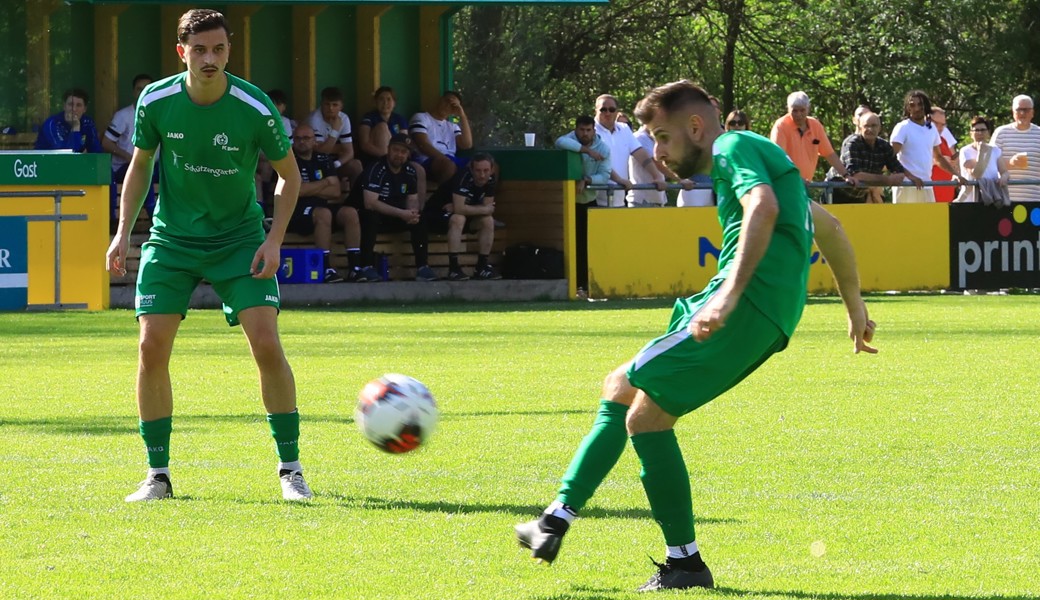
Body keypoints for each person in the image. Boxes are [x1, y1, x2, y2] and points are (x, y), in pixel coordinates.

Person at [516, 80, 877, 592]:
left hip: (745, 307)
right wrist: (855, 306)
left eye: (662, 138)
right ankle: (564, 525)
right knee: (628, 395)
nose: (658, 152)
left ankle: (661, 555)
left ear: (695, 128)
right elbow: (831, 228)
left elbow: (763, 208)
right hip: (759, 312)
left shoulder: (733, 146)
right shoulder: (770, 164)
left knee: (637, 408)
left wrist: (728, 297)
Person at [105, 9, 311, 503]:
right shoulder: (154, 100)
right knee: (150, 348)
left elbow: (290, 176)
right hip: (171, 241)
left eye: (219, 49)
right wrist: (122, 233)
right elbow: (139, 168)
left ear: (229, 52)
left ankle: (291, 470)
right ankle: (158, 476)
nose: (210, 58)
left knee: (265, 341)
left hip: (240, 241)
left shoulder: (254, 106)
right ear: (182, 53)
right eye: (200, 50)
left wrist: (274, 238)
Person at [354, 133, 439, 282]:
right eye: (396, 150)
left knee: (420, 217)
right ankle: (366, 266)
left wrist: (412, 214)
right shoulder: (376, 168)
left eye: (403, 152)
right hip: (371, 216)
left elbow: (412, 199)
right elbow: (370, 202)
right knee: (370, 215)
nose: (399, 155)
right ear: (388, 149)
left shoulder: (410, 171)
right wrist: (401, 213)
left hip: (396, 215)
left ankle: (423, 268)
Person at [288, 123, 363, 283]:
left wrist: (309, 187)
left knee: (350, 213)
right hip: (297, 211)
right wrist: (323, 183)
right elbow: (297, 191)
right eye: (298, 138)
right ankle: (326, 267)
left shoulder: (323, 159)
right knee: (324, 213)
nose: (302, 142)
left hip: (322, 206)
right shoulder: (289, 161)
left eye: (306, 138)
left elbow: (335, 192)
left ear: (315, 141)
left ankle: (355, 268)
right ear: (293, 141)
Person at [423, 152, 501, 280]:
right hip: (436, 215)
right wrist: (464, 208)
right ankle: (453, 268)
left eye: (486, 170)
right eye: (478, 170)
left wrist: (464, 208)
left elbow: (487, 210)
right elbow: (462, 209)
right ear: (471, 169)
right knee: (458, 218)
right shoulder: (463, 177)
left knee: (487, 220)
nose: (482, 175)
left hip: (464, 217)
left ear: (492, 170)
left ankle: (481, 267)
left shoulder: (490, 180)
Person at [555, 115, 611, 293]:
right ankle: (571, 283)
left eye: (588, 130)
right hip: (566, 203)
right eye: (581, 130)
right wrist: (586, 151)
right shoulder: (569, 140)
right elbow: (560, 142)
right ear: (576, 129)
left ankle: (585, 285)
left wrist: (586, 180)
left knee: (585, 244)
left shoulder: (603, 148)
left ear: (594, 130)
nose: (585, 134)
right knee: (569, 243)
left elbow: (604, 177)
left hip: (587, 201)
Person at [826, 112, 917, 204]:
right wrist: (887, 180)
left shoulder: (884, 146)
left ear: (879, 128)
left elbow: (898, 169)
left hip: (860, 196)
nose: (870, 129)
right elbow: (855, 174)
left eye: (874, 126)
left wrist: (908, 177)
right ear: (860, 128)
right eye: (866, 126)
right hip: (836, 193)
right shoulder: (852, 143)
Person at [102, 74, 157, 225]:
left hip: (154, 165)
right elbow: (106, 143)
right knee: (145, 170)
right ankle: (152, 217)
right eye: (139, 89)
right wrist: (128, 156)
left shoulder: (160, 114)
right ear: (134, 92)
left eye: (147, 89)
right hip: (124, 167)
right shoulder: (123, 115)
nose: (142, 92)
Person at [890, 90, 962, 203]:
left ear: (926, 107)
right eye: (912, 105)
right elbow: (890, 158)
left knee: (929, 220)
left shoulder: (932, 128)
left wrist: (956, 174)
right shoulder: (902, 127)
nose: (916, 108)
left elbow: (938, 157)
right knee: (905, 221)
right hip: (906, 185)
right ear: (908, 108)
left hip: (926, 184)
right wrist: (911, 177)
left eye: (920, 104)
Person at [357, 86, 427, 201]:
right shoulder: (369, 117)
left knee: (419, 170)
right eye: (381, 99)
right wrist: (388, 157)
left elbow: (405, 142)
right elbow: (364, 144)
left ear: (394, 102)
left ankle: (419, 213)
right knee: (382, 126)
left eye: (389, 99)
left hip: (397, 160)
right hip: (376, 159)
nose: (385, 103)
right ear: (376, 102)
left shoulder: (399, 119)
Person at [595, 94, 666, 207]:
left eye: (611, 109)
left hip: (619, 200)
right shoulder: (591, 131)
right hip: (596, 199)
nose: (607, 113)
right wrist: (618, 180)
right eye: (603, 109)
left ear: (617, 111)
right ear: (596, 111)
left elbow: (641, 154)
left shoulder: (624, 129)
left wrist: (656, 175)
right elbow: (599, 162)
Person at [769, 91, 849, 183]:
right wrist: (796, 178)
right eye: (794, 111)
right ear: (788, 109)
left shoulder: (815, 126)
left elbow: (829, 154)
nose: (798, 114)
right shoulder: (781, 126)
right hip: (785, 182)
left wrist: (846, 175)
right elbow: (778, 158)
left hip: (806, 184)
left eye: (802, 110)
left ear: (808, 109)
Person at [409, 91, 473, 185]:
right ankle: (444, 198)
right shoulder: (422, 117)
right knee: (448, 165)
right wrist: (445, 159)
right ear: (440, 100)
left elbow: (467, 144)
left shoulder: (452, 126)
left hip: (451, 159)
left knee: (486, 165)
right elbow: (422, 144)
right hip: (428, 160)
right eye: (447, 101)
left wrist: (462, 116)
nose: (448, 106)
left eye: (453, 105)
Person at [308, 86, 363, 190]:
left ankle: (356, 202)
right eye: (327, 104)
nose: (330, 108)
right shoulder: (314, 119)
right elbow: (321, 153)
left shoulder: (344, 118)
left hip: (334, 163)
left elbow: (349, 152)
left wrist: (336, 164)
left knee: (356, 165)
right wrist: (335, 131)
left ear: (341, 106)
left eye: (335, 105)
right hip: (316, 165)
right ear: (321, 104)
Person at [991, 94, 1040, 203]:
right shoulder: (1001, 132)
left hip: (1035, 200)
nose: (1022, 114)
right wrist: (1010, 163)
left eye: (1026, 110)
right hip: (1005, 200)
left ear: (1032, 112)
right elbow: (990, 163)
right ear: (1013, 112)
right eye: (1019, 110)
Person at [957, 116, 1010, 205]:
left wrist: (1004, 177)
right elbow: (976, 174)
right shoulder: (965, 151)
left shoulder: (995, 150)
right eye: (976, 130)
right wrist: (981, 152)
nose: (980, 133)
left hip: (992, 198)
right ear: (971, 133)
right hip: (971, 200)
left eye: (983, 130)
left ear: (988, 133)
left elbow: (1004, 171)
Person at [35, 88, 102, 154]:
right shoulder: (52, 123)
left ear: (84, 109)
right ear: (64, 106)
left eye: (78, 105)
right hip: (47, 163)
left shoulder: (88, 123)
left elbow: (97, 153)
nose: (74, 109)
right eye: (70, 104)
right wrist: (75, 127)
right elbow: (67, 155)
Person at [628, 99, 667, 207]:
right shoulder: (638, 138)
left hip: (657, 199)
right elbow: (657, 163)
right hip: (642, 201)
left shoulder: (658, 139)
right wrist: (681, 180)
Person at [930, 107, 958, 202]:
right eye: (936, 123)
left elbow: (954, 159)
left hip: (946, 194)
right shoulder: (918, 138)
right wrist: (936, 161)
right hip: (928, 193)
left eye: (942, 124)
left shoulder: (944, 140)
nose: (940, 128)